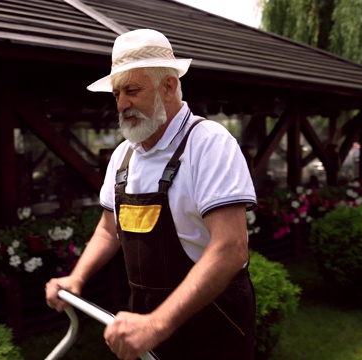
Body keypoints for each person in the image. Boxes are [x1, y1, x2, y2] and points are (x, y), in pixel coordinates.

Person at [45, 28, 257, 359]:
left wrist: (156, 325)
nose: (122, 104)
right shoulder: (123, 157)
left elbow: (230, 248)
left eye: (132, 90)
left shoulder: (209, 144)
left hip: (213, 325)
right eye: (116, 94)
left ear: (169, 86)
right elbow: (107, 228)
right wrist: (77, 277)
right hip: (148, 319)